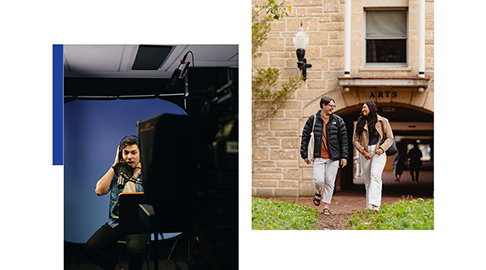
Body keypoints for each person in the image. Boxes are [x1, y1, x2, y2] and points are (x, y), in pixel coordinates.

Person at [84, 136, 147, 270]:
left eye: (134, 153)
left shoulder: (147, 174)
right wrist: (115, 165)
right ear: (121, 154)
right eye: (126, 153)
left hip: (139, 223)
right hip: (117, 222)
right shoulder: (119, 172)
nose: (129, 157)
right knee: (91, 248)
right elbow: (99, 190)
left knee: (135, 250)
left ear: (141, 153)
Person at [300, 96, 348, 215]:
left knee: (330, 181)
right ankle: (318, 191)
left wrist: (344, 156)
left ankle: (326, 206)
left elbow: (344, 140)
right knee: (318, 180)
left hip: (334, 157)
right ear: (323, 105)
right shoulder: (313, 119)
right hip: (318, 156)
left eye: (333, 106)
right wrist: (304, 154)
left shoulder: (338, 120)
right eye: (331, 106)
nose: (332, 108)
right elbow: (305, 136)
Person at [352, 101, 394, 212]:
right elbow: (355, 140)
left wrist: (382, 148)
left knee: (375, 176)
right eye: (362, 108)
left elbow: (390, 138)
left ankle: (375, 205)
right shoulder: (360, 122)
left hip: (379, 152)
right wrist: (363, 151)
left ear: (371, 108)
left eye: (364, 107)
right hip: (366, 152)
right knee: (368, 180)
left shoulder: (383, 121)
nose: (362, 109)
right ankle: (369, 207)